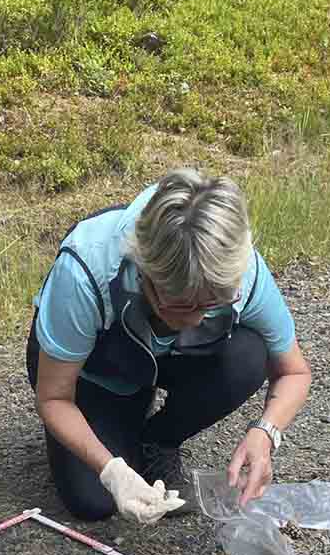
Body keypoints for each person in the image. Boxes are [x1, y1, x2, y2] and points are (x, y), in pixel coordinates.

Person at [27, 168, 312, 524]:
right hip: (94, 369)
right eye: (181, 304)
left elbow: (295, 371)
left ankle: (159, 438)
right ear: (145, 272)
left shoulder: (240, 268)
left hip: (161, 358)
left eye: (211, 304)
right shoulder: (84, 268)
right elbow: (53, 397)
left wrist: (266, 433)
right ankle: (116, 415)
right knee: (94, 502)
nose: (195, 319)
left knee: (249, 356)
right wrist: (112, 471)